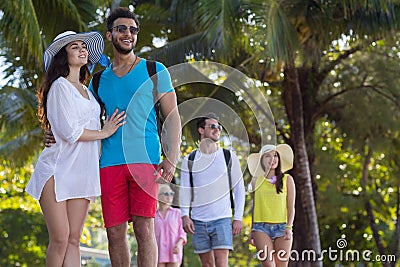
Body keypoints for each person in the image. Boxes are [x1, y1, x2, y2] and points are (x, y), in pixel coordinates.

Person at [25, 31, 126, 266]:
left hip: (82, 172)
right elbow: (69, 132)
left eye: (84, 46)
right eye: (75, 47)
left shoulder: (88, 92)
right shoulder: (59, 86)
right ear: (64, 55)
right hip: (57, 169)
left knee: (73, 240)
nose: (82, 50)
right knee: (60, 239)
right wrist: (105, 131)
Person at [90, 7, 181, 267]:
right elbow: (81, 120)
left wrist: (171, 159)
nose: (127, 34)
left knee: (144, 229)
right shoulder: (97, 82)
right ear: (109, 35)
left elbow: (173, 116)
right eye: (121, 29)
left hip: (145, 160)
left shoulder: (154, 70)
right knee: (115, 234)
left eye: (132, 29)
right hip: (109, 163)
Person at [179, 113, 245, 267]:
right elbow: (184, 190)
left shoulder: (228, 157)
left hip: (222, 219)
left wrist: (238, 217)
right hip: (198, 220)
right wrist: (185, 215)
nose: (217, 130)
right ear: (201, 130)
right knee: (207, 264)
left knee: (222, 263)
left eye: (219, 127)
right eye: (212, 126)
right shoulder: (190, 160)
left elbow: (239, 189)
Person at [247, 144, 296, 267]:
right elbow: (255, 206)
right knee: (269, 265)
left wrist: (289, 227)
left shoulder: (288, 179)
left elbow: (291, 206)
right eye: (267, 156)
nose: (272, 159)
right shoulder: (255, 181)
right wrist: (252, 230)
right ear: (262, 160)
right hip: (260, 228)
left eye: (275, 155)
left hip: (282, 228)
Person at [155, 184, 186, 267]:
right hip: (159, 251)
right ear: (158, 196)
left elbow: (182, 232)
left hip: (174, 251)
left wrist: (179, 244)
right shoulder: (154, 215)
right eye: (166, 194)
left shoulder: (177, 213)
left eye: (171, 193)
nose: (169, 196)